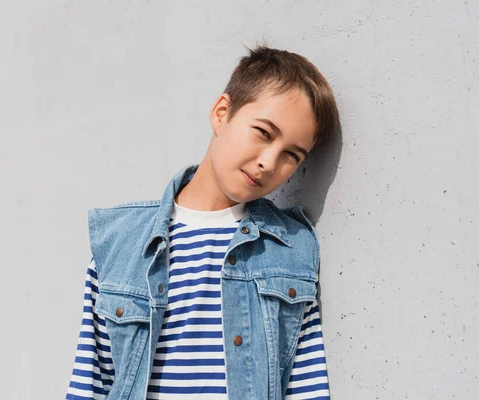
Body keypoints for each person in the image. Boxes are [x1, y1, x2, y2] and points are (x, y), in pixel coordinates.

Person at [66, 44, 339, 399]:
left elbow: (308, 387)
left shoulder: (291, 247)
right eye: (263, 133)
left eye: (291, 155)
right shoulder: (123, 244)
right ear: (222, 112)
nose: (269, 163)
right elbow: (91, 383)